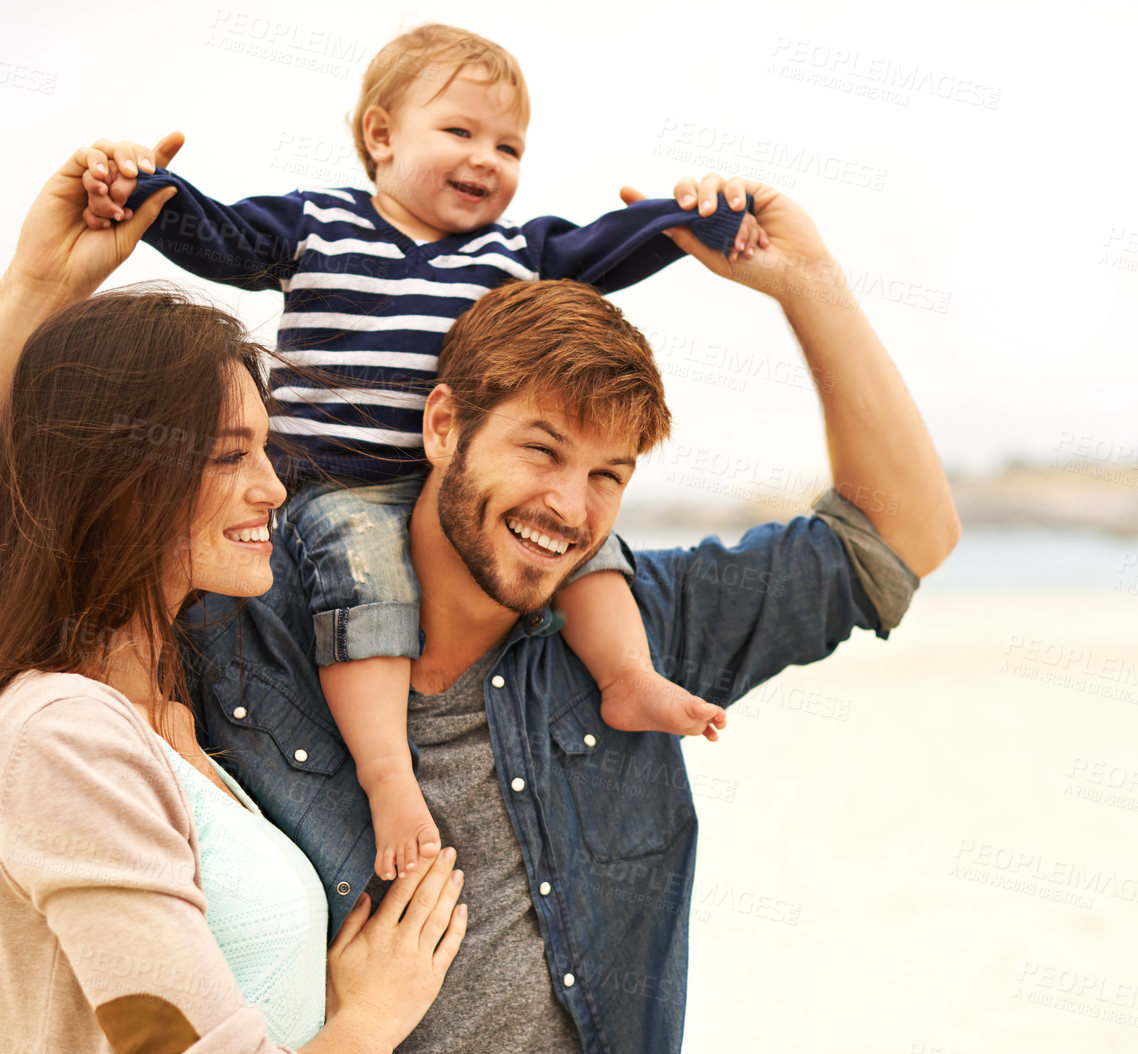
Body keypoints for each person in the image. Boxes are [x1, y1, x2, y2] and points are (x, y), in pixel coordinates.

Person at [0, 145, 960, 1054]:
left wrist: (807, 281)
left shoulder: (631, 637)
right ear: (440, 427)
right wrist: (40, 288)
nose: (570, 508)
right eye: (540, 449)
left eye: (609, 476)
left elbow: (901, 536)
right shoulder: (242, 627)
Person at [0, 149, 468, 1054]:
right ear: (119, 479)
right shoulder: (66, 735)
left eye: (267, 449)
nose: (271, 488)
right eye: (228, 457)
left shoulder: (179, 693)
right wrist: (375, 1012)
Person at [81, 22, 766, 883]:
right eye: (460, 132)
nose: (488, 158)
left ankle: (626, 674)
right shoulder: (319, 223)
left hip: (442, 488)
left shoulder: (513, 254)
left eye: (508, 145)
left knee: (596, 544)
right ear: (380, 135)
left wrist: (699, 213)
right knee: (370, 578)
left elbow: (614, 243)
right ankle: (388, 773)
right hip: (333, 488)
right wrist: (145, 188)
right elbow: (218, 236)